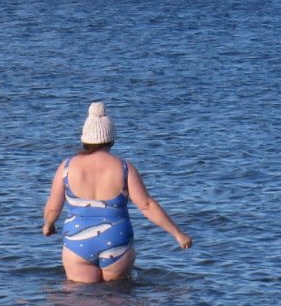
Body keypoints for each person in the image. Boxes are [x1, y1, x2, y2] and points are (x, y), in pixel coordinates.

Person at [41, 102, 192, 283]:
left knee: (78, 299)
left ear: (85, 139)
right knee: (118, 298)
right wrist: (177, 233)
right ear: (111, 138)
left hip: (77, 243)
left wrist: (48, 225)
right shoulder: (124, 168)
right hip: (116, 240)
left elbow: (53, 207)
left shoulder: (66, 167)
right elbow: (146, 205)